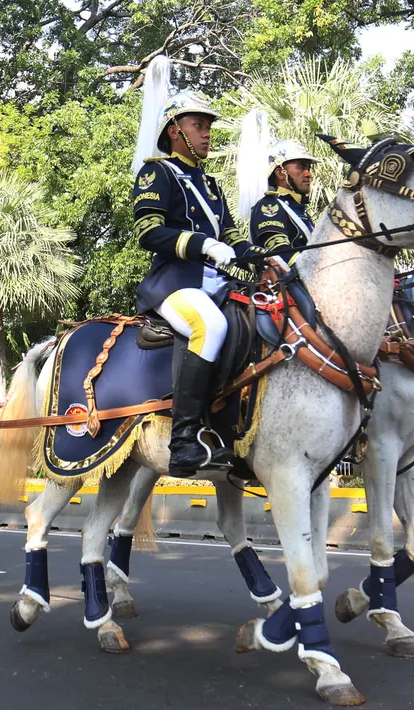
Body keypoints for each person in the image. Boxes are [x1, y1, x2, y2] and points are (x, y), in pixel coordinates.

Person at [131, 62, 260, 475]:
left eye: (208, 126)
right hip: (175, 283)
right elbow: (149, 231)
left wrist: (258, 255)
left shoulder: (211, 184)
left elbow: (232, 235)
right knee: (210, 326)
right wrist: (202, 244)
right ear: (175, 131)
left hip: (217, 284)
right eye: (198, 125)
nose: (207, 133)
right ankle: (184, 439)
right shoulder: (156, 173)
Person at [248, 140, 317, 265]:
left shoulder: (297, 207)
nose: (308, 174)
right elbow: (280, 252)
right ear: (281, 173)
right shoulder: (270, 205)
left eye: (308, 168)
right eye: (301, 167)